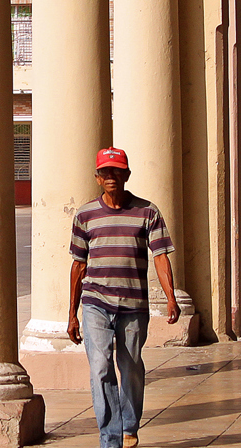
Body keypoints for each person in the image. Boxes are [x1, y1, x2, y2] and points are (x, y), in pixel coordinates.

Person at [67, 147, 178, 448]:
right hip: (95, 304)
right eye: (105, 172)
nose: (111, 177)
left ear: (127, 175)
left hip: (133, 305)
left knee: (130, 367)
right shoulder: (85, 215)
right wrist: (72, 314)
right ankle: (110, 438)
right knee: (100, 368)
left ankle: (129, 426)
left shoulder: (147, 212)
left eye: (117, 171)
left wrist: (170, 296)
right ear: (97, 178)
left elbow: (160, 256)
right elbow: (78, 265)